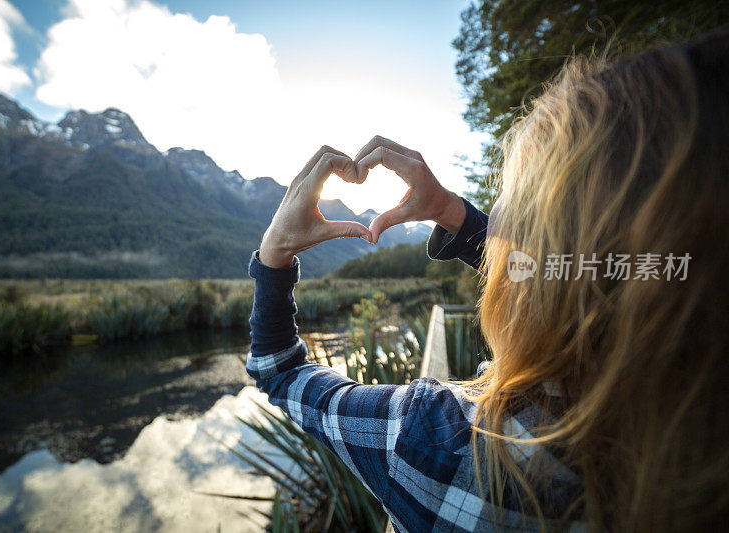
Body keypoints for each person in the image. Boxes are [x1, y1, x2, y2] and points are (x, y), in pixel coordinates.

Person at [246, 30, 728, 532]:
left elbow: (277, 371)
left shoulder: (439, 441)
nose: (495, 216)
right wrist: (453, 214)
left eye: (511, 196)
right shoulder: (699, 431)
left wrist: (274, 256)